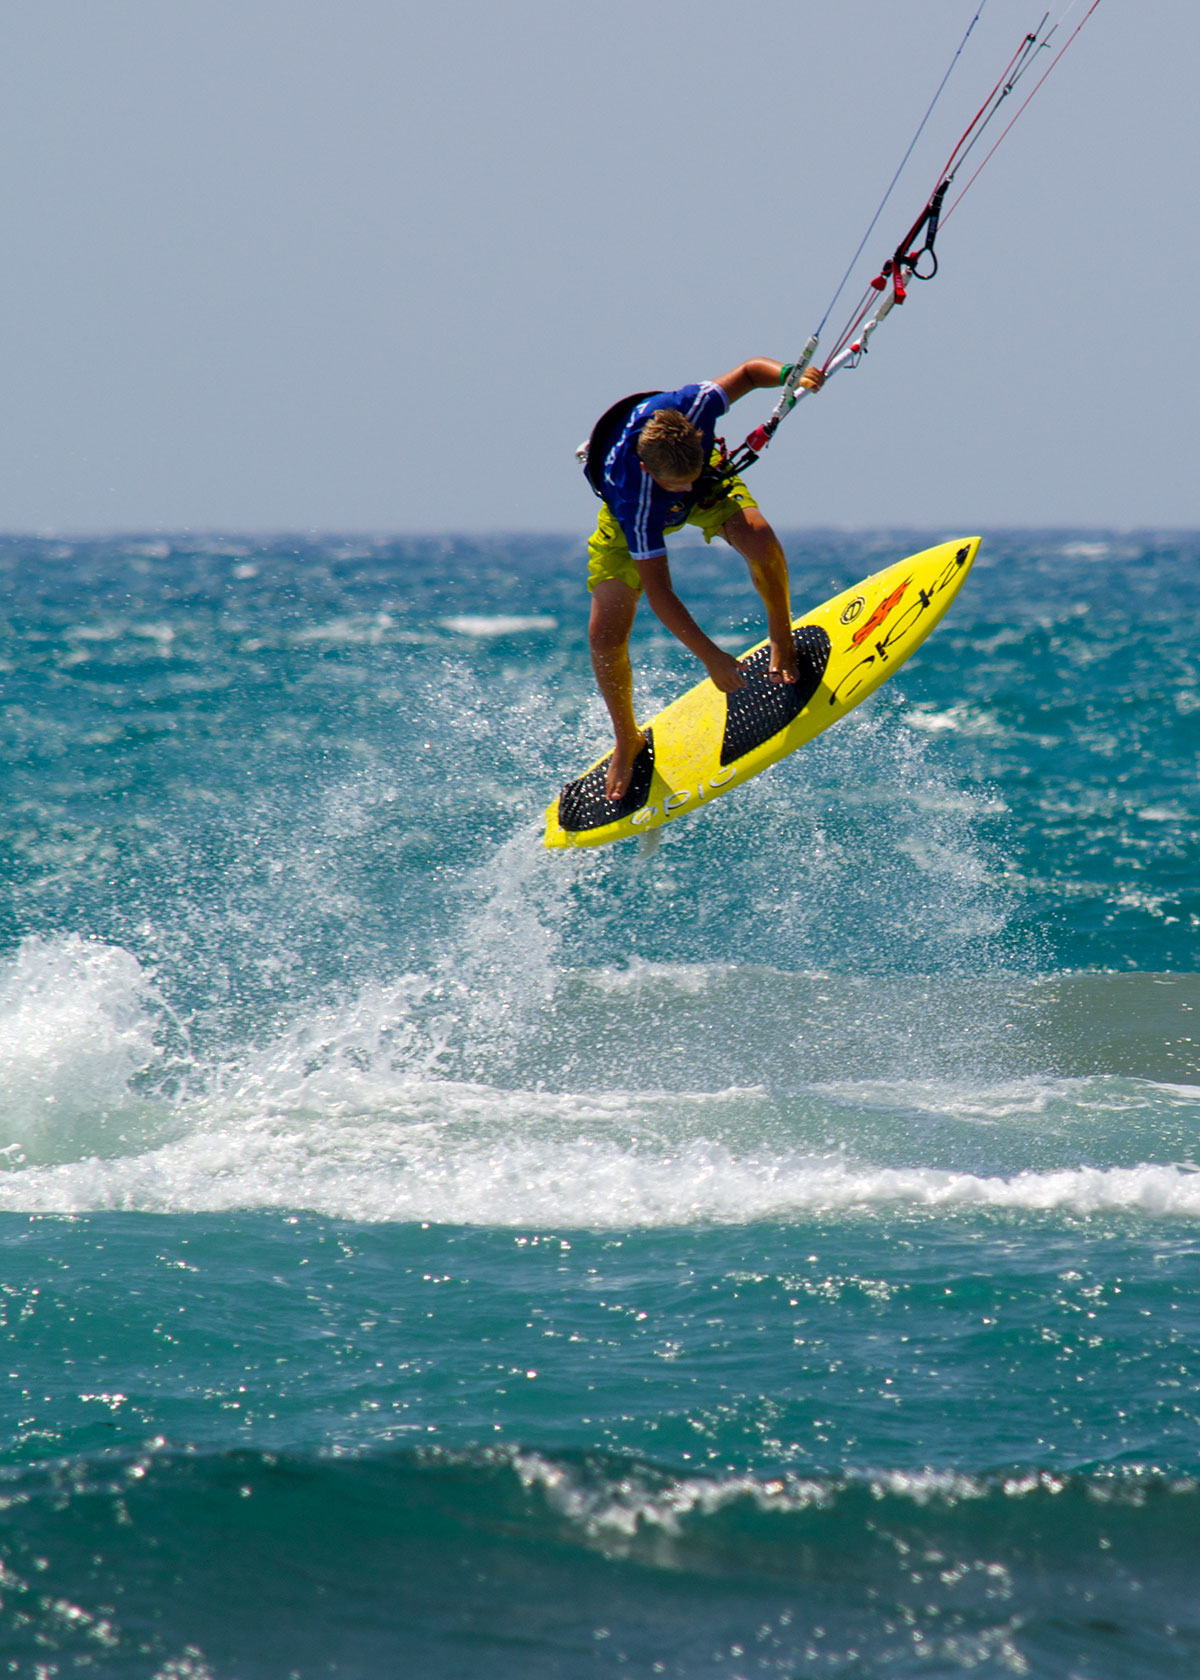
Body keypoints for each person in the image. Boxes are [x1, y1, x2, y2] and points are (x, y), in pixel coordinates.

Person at [585, 358, 823, 800]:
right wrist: (712, 658)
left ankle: (781, 638)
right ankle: (627, 739)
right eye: (675, 486)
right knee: (605, 635)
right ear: (646, 469)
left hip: (709, 480)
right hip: (628, 520)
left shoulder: (694, 408)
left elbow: (752, 373)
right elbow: (660, 593)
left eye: (685, 481)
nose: (682, 491)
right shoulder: (632, 500)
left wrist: (792, 374)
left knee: (761, 540)